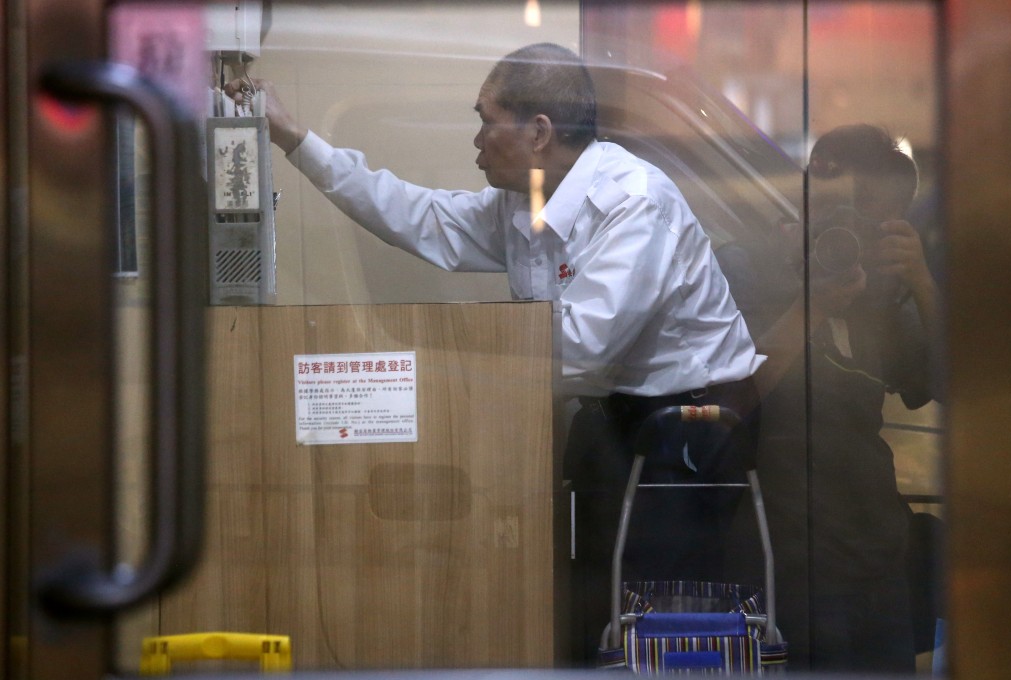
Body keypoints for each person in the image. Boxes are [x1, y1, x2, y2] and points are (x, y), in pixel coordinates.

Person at [227, 42, 765, 665]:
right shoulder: (525, 202)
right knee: (597, 599)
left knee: (658, 611)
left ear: (538, 132)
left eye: (486, 119)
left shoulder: (633, 202)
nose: (477, 138)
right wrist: (295, 140)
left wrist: (449, 370)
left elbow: (583, 351)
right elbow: (418, 216)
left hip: (693, 424)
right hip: (615, 412)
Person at [716, 123, 943, 673]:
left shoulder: (883, 290)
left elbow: (947, 383)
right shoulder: (750, 264)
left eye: (877, 217)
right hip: (783, 551)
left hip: (874, 547)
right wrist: (812, 304)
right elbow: (733, 396)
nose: (855, 228)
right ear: (812, 184)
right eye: (851, 206)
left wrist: (920, 279)